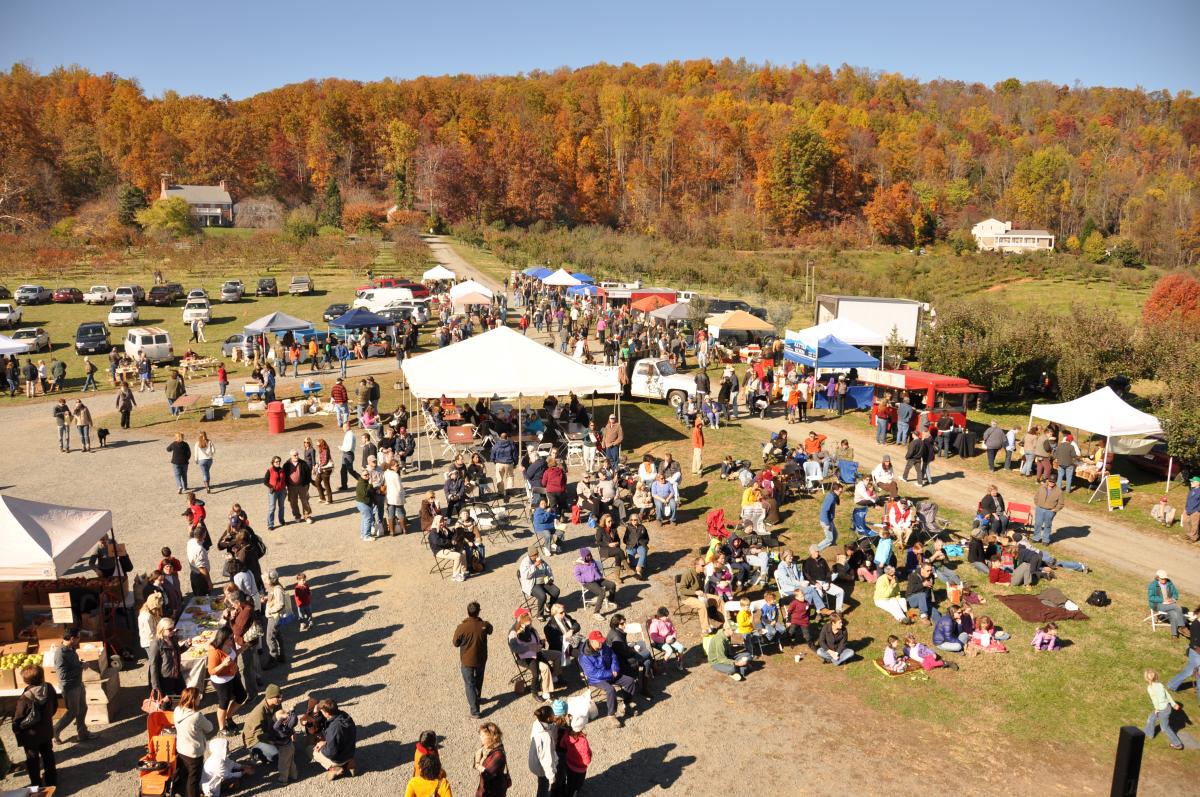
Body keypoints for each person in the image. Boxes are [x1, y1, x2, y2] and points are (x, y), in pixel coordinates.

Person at [579, 630, 640, 722]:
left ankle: (626, 705)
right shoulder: (584, 657)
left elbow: (613, 656)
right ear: (591, 641)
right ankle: (611, 715)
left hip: (611, 673)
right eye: (598, 641)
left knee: (630, 681)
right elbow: (593, 673)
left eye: (602, 640)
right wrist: (610, 674)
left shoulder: (604, 646)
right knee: (610, 689)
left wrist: (615, 668)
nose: (601, 643)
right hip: (596, 679)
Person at [452, 601, 492, 719]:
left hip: (467, 660)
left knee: (469, 684)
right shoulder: (484, 625)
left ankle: (475, 711)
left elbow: (455, 643)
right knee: (479, 680)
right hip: (481, 659)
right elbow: (490, 630)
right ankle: (478, 698)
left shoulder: (462, 627)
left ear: (468, 612)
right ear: (478, 612)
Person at [509, 607, 555, 701]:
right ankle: (534, 692)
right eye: (527, 615)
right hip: (525, 658)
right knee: (537, 673)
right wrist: (529, 648)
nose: (530, 616)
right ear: (519, 618)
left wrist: (540, 643)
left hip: (536, 653)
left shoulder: (528, 626)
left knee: (556, 657)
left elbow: (534, 639)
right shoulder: (513, 632)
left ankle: (552, 681)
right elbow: (515, 648)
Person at [313, 698, 358, 780]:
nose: (321, 713)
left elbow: (331, 753)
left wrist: (322, 747)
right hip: (350, 751)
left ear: (327, 713)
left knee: (314, 752)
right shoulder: (345, 716)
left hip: (340, 757)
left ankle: (334, 768)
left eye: (322, 712)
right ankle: (350, 763)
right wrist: (326, 742)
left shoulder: (333, 729)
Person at [1144, 670, 1185, 749]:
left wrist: (1157, 709)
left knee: (1165, 728)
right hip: (1167, 708)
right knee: (1151, 717)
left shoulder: (1150, 688)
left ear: (1147, 679)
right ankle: (1148, 733)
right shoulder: (1160, 684)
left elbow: (1155, 699)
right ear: (1155, 676)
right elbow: (1167, 695)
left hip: (1161, 710)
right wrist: (1173, 704)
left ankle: (1177, 744)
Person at [1166, 605, 1200, 700]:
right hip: (1196, 653)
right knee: (1189, 672)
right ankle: (1171, 685)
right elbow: (1195, 643)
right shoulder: (1195, 625)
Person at [147, 617, 186, 699]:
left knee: (183, 697)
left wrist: (186, 646)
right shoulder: (156, 644)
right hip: (166, 679)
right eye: (170, 629)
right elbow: (153, 666)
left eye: (173, 628)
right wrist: (155, 686)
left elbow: (176, 653)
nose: (173, 631)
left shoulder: (173, 639)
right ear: (162, 629)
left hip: (177, 674)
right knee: (169, 703)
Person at [574, 548, 616, 619]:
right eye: (587, 556)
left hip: (598, 579)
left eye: (590, 554)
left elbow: (597, 570)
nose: (590, 556)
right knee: (602, 592)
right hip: (588, 583)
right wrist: (585, 580)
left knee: (612, 585)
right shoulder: (578, 565)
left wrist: (599, 576)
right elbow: (577, 576)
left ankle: (610, 600)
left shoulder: (593, 561)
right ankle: (596, 613)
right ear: (584, 557)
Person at [528, 705, 560, 796]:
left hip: (533, 758)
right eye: (553, 715)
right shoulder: (545, 738)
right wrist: (552, 778)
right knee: (543, 787)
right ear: (549, 718)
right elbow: (547, 760)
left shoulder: (537, 723)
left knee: (541, 783)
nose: (555, 716)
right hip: (540, 767)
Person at [519, 548, 559, 618]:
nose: (537, 556)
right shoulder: (525, 562)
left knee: (556, 591)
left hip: (543, 581)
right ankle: (540, 614)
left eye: (538, 554)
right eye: (536, 555)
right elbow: (526, 576)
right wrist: (534, 566)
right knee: (542, 596)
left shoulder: (540, 560)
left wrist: (550, 578)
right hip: (532, 584)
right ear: (531, 556)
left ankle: (549, 606)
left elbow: (548, 569)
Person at [558, 715, 592, 797]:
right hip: (580, 768)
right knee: (577, 785)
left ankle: (568, 792)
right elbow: (587, 759)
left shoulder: (566, 734)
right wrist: (590, 755)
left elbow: (562, 745)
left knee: (570, 781)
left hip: (569, 764)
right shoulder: (583, 741)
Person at [474, 722, 509, 797]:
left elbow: (486, 774)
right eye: (480, 735)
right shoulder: (487, 747)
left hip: (493, 791)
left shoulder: (498, 755)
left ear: (491, 736)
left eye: (483, 735)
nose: (481, 737)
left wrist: (477, 765)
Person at [1147, 570, 1186, 637]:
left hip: (1169, 604)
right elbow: (1151, 598)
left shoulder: (1169, 583)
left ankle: (1174, 635)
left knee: (1173, 613)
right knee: (1177, 607)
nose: (1164, 580)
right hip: (1158, 604)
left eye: (1165, 578)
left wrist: (1172, 599)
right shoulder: (1152, 585)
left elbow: (1175, 594)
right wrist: (1163, 600)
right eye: (1162, 579)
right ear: (1157, 577)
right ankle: (1182, 626)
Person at [262, 569, 289, 668]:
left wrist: (271, 610)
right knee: (277, 635)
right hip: (274, 616)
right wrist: (266, 599)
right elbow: (274, 599)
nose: (265, 581)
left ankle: (273, 659)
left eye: (266, 579)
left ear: (272, 580)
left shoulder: (277, 589)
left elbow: (281, 604)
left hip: (274, 617)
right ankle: (282, 656)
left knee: (270, 638)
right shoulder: (273, 587)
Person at [622, 512, 651, 578]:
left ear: (638, 520)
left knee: (643, 552)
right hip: (631, 546)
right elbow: (624, 539)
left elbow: (647, 538)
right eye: (632, 520)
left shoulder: (642, 527)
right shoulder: (628, 528)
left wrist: (643, 543)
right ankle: (641, 565)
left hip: (640, 545)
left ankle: (638, 570)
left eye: (635, 520)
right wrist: (629, 543)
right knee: (632, 562)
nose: (633, 521)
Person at [263, 455, 287, 530]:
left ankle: (282, 521)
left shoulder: (282, 470)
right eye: (276, 461)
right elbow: (265, 481)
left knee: (282, 507)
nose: (278, 463)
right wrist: (271, 487)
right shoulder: (270, 470)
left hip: (282, 491)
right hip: (273, 492)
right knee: (272, 508)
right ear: (273, 462)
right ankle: (270, 524)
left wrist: (285, 488)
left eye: (279, 461)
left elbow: (284, 480)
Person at [186, 526, 211, 597]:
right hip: (200, 577)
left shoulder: (190, 542)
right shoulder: (199, 549)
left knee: (197, 597)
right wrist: (209, 582)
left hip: (193, 574)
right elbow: (202, 568)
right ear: (203, 535)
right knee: (203, 598)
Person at [817, 483, 843, 551]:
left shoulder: (833, 495)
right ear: (835, 490)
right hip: (826, 521)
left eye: (842, 491)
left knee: (835, 535)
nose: (841, 493)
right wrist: (827, 523)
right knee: (829, 539)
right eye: (840, 491)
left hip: (829, 520)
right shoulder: (831, 497)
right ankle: (816, 550)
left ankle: (832, 549)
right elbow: (824, 510)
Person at [339, 421, 357, 491]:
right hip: (345, 454)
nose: (343, 429)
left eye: (344, 427)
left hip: (348, 454)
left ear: (348, 427)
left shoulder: (350, 435)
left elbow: (349, 447)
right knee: (343, 470)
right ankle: (344, 486)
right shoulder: (347, 434)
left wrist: (341, 448)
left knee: (350, 470)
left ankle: (363, 480)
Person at [1183, 475, 1200, 543]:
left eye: (1193, 481)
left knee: (1194, 525)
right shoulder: (1191, 490)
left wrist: (1198, 510)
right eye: (1191, 481)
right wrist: (1186, 507)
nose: (1191, 483)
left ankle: (1193, 538)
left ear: (1198, 483)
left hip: (1195, 511)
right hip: (1187, 509)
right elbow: (1188, 500)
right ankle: (1188, 534)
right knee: (1185, 522)